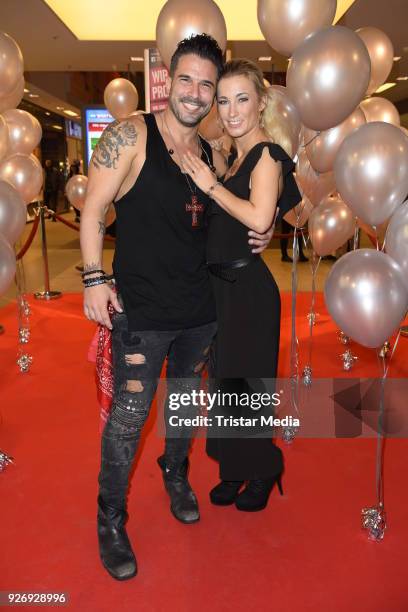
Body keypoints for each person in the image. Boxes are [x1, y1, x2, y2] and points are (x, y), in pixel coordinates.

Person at [80, 35, 272, 581]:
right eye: (185, 79)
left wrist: (260, 235)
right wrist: (94, 278)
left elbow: (234, 214)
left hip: (200, 312)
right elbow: (93, 210)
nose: (195, 92)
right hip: (140, 314)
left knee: (185, 403)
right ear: (168, 81)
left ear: (214, 92)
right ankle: (110, 518)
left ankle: (175, 471)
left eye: (206, 84)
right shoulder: (132, 135)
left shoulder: (211, 151)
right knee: (129, 418)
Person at [181, 59, 301, 512]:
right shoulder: (234, 157)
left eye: (242, 100)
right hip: (224, 290)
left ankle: (263, 469)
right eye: (224, 101)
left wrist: (211, 186)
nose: (231, 112)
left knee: (246, 389)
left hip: (249, 292)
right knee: (227, 386)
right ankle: (234, 467)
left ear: (262, 103)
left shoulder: (266, 154)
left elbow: (258, 217)